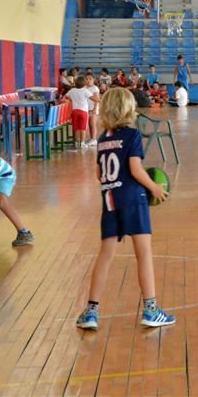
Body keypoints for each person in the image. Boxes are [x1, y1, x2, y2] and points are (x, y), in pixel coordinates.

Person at [75, 88, 175, 330]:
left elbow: (100, 175)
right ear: (129, 110)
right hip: (133, 198)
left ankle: (91, 312)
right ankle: (151, 309)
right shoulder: (131, 135)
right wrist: (154, 188)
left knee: (105, 256)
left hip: (109, 201)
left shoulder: (102, 139)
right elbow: (136, 169)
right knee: (144, 254)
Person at [66, 76, 101, 149]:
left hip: (74, 111)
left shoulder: (72, 90)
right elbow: (94, 99)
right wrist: (101, 100)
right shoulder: (85, 90)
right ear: (84, 83)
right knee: (83, 128)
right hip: (83, 112)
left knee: (76, 127)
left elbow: (65, 98)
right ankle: (82, 143)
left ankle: (76, 143)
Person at [85, 74, 101, 146]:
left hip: (93, 108)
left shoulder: (95, 88)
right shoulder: (84, 87)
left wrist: (95, 109)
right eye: (87, 79)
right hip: (86, 108)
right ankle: (92, 139)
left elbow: (97, 99)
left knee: (92, 124)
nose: (88, 80)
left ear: (93, 80)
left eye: (90, 79)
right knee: (89, 124)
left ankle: (94, 139)